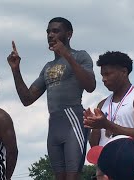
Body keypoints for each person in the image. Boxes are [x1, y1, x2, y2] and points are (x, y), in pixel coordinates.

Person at [7, 17, 96, 180]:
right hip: (54, 125)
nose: (50, 34)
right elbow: (27, 99)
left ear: (69, 34)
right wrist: (15, 70)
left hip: (73, 120)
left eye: (55, 31)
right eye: (48, 31)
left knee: (72, 176)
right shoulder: (48, 67)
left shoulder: (80, 56)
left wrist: (67, 56)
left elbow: (91, 86)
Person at [83, 51, 134, 147]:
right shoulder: (102, 104)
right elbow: (94, 145)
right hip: (105, 159)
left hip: (130, 159)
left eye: (107, 74)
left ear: (124, 72)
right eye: (102, 75)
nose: (104, 79)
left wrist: (107, 125)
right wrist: (95, 126)